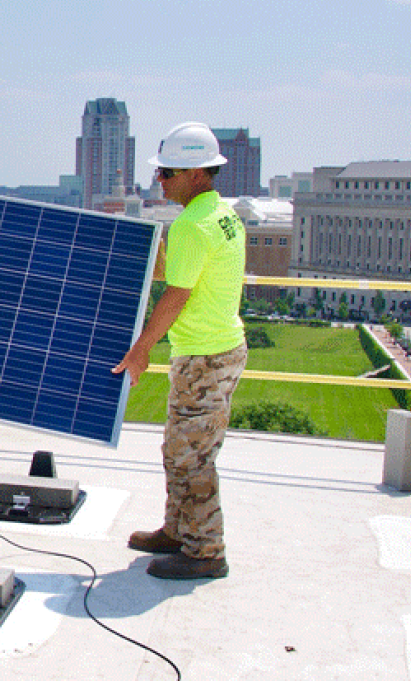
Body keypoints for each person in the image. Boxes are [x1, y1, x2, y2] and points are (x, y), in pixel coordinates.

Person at [112, 121, 247, 580]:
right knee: (178, 448)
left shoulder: (192, 225)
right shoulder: (222, 216)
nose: (160, 180)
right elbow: (185, 272)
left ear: (196, 174)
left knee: (193, 457)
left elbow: (177, 294)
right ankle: (178, 532)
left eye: (167, 173)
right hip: (216, 349)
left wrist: (141, 348)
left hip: (205, 356)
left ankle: (206, 551)